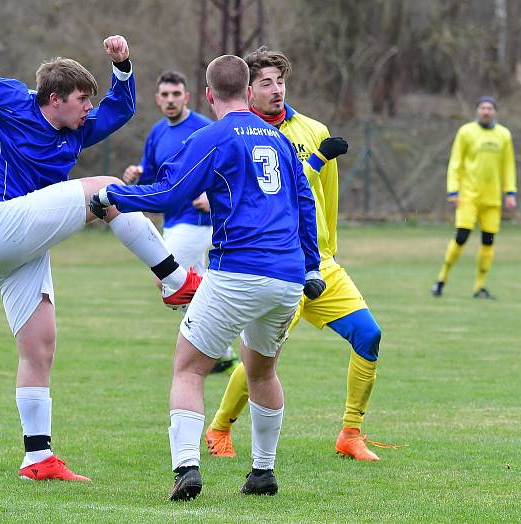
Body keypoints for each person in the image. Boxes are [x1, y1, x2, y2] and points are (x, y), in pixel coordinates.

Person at [0, 36, 201, 482]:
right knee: (107, 188)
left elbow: (120, 109)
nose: (88, 108)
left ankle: (38, 458)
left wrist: (123, 66)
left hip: (21, 246)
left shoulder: (78, 128)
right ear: (54, 99)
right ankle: (174, 280)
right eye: (82, 99)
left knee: (39, 346)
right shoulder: (15, 101)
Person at [89, 54, 323, 500]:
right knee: (262, 371)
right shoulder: (278, 139)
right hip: (289, 277)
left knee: (189, 366)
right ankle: (262, 472)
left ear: (209, 95)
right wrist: (311, 266)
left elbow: (169, 191)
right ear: (249, 92)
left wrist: (110, 193)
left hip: (239, 270)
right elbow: (304, 204)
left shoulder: (213, 136)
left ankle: (186, 469)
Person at [203, 47, 394, 462]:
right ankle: (219, 428)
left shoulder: (314, 130)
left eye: (280, 81)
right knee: (261, 360)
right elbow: (277, 195)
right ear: (247, 91)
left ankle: (351, 432)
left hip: (319, 263)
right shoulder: (244, 134)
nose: (276, 90)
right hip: (275, 263)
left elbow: (325, 199)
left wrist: (327, 251)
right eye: (266, 83)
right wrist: (318, 161)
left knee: (369, 335)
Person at [122, 71, 237, 373]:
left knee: (167, 278)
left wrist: (213, 199)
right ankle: (221, 350)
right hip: (171, 221)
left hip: (196, 222)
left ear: (186, 96)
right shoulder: (158, 132)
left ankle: (209, 348)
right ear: (158, 99)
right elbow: (155, 173)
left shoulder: (203, 127)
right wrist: (138, 172)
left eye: (177, 94)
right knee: (198, 285)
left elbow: (227, 170)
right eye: (165, 95)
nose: (171, 100)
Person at [431, 95, 517, 299]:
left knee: (488, 241)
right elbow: (456, 162)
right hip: (468, 196)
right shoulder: (466, 132)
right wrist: (453, 190)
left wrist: (510, 191)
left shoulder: (504, 134)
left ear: (495, 111)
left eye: (490, 108)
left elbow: (508, 165)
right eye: (483, 108)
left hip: (492, 199)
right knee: (461, 237)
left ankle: (479, 287)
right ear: (477, 110)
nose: (486, 111)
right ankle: (441, 280)